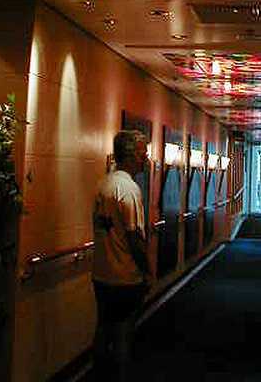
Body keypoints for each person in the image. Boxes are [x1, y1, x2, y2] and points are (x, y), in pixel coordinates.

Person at [91, 130, 151, 381]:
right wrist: (146, 271)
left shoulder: (103, 184)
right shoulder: (128, 189)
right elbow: (134, 238)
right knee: (124, 335)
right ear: (129, 155)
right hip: (125, 276)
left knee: (103, 329)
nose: (146, 159)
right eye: (142, 153)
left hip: (101, 273)